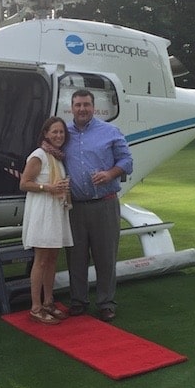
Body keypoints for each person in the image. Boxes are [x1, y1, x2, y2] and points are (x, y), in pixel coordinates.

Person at [64, 89, 133, 322]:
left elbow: (127, 161)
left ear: (94, 107)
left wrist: (110, 173)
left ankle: (106, 303)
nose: (82, 109)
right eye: (77, 105)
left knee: (105, 257)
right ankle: (78, 301)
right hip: (75, 207)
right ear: (71, 108)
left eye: (86, 104)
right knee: (76, 256)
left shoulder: (110, 131)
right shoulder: (64, 134)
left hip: (104, 204)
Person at [20, 117, 74, 325]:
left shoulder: (58, 157)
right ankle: (35, 307)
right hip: (42, 212)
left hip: (55, 211)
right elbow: (24, 184)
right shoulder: (39, 155)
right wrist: (48, 188)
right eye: (55, 132)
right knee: (41, 260)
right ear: (46, 134)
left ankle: (49, 302)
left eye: (61, 132)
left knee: (52, 259)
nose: (59, 136)